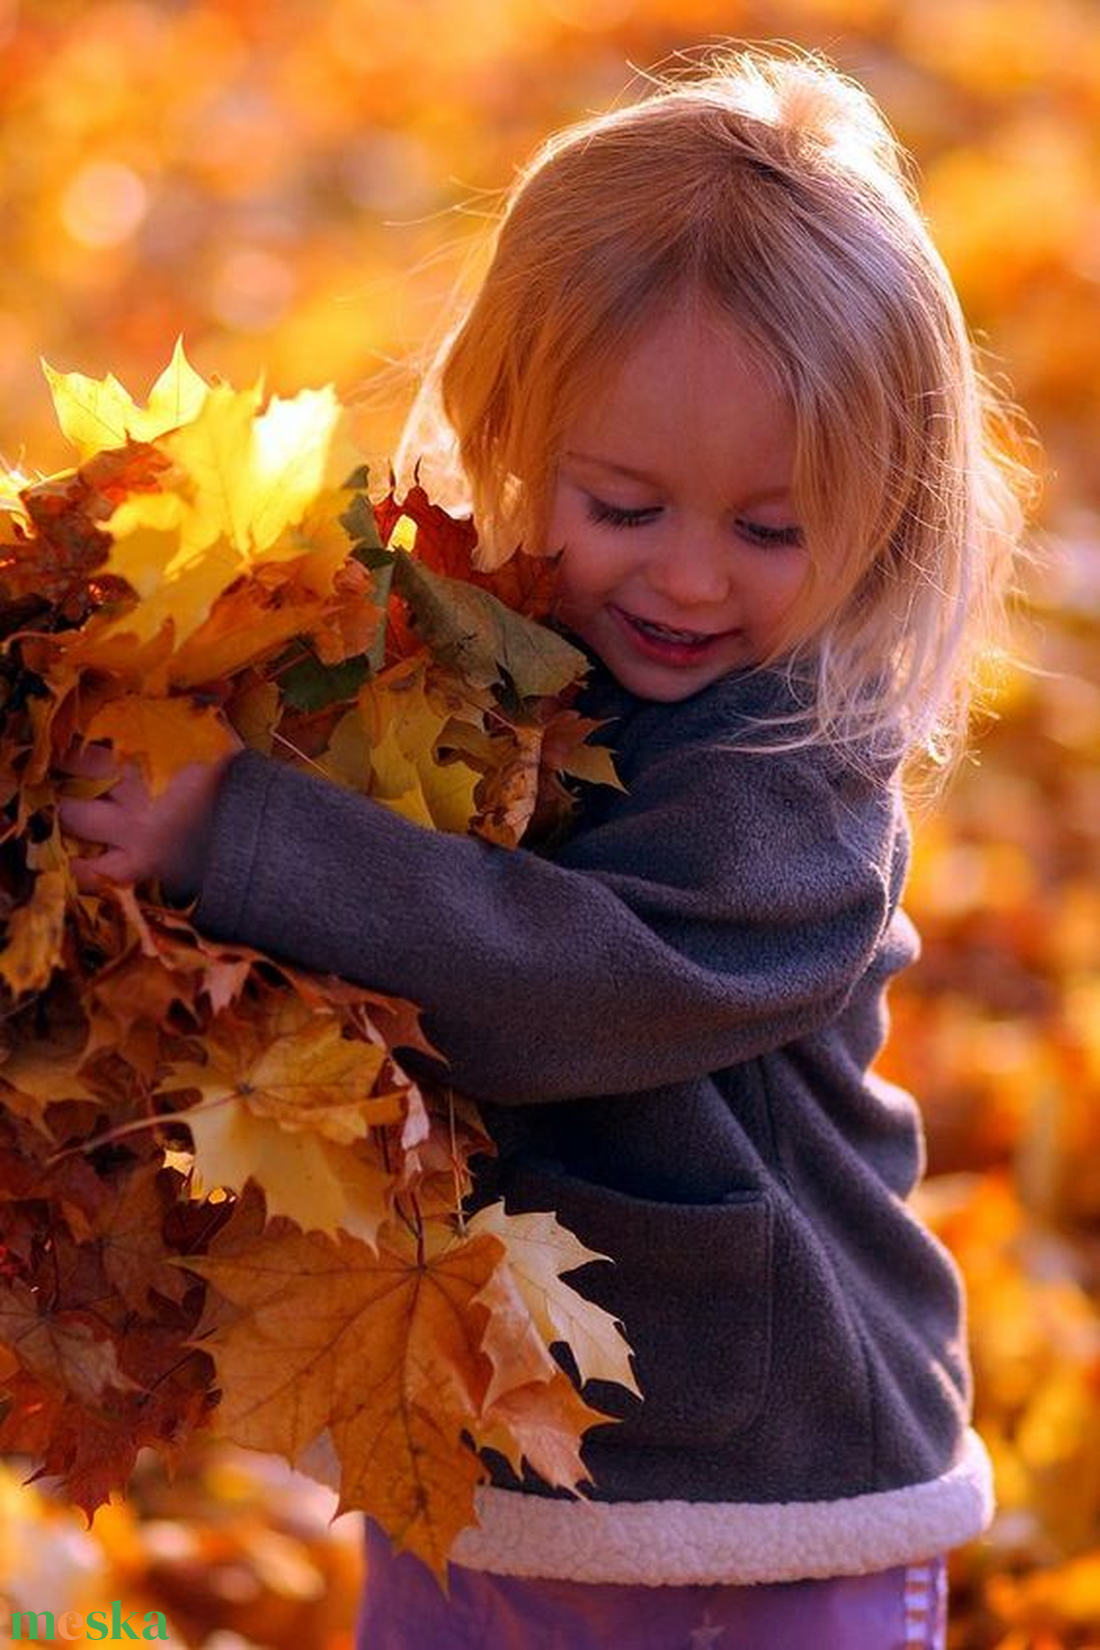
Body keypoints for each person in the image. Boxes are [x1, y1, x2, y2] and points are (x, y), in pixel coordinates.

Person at [60, 46, 1033, 1650]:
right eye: (626, 503)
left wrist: (243, 826)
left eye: (770, 528)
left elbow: (571, 978)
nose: (692, 577)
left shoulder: (801, 786)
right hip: (479, 1447)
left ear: (888, 508)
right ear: (515, 433)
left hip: (767, 1503)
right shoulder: (487, 683)